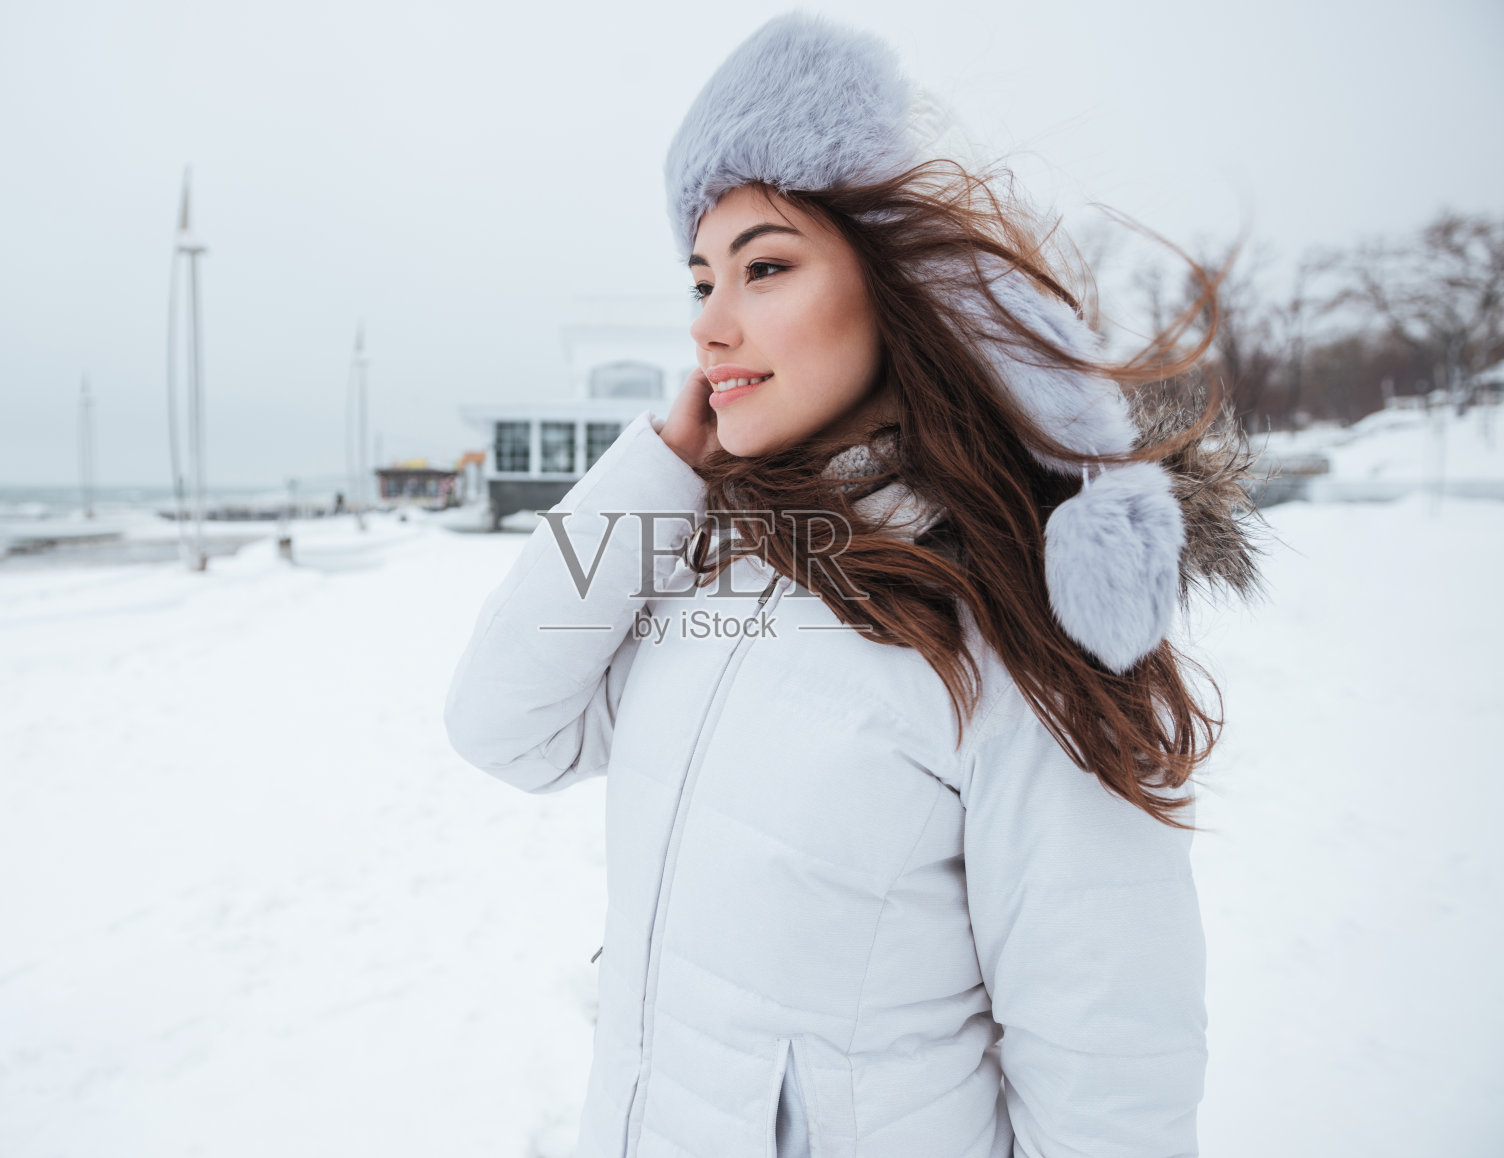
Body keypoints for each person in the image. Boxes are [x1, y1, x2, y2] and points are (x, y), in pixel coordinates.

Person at [445, 13, 1266, 1158]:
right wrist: (657, 471)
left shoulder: (1014, 618)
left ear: (900, 288)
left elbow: (1108, 1077)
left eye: (764, 268)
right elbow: (502, 727)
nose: (711, 326)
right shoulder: (703, 565)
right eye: (698, 283)